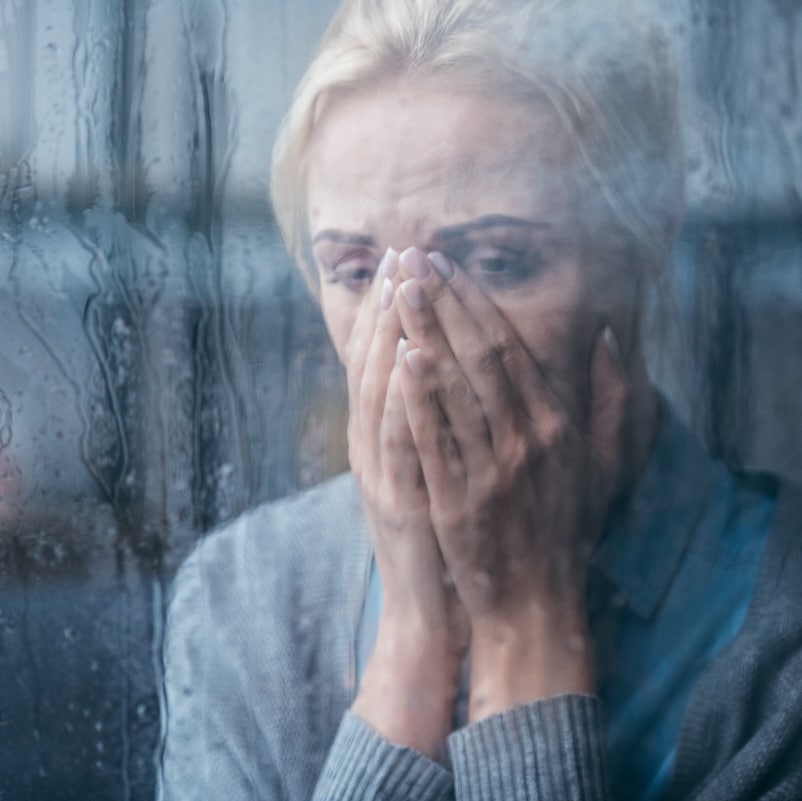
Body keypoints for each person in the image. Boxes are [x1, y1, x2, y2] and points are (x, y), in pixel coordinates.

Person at [159, 1, 802, 799]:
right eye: (358, 273)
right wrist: (412, 647)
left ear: (645, 237)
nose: (414, 339)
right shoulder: (244, 597)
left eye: (498, 260)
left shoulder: (779, 637)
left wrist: (527, 631)